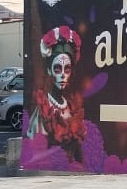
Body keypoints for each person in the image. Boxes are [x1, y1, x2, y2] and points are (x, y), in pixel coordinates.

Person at [27, 25, 86, 163]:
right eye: (58, 69)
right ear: (49, 70)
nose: (63, 75)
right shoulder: (43, 110)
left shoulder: (71, 107)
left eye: (67, 69)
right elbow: (37, 150)